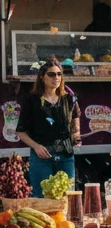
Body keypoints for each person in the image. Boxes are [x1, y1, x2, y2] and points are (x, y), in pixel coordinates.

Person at [17, 57, 81, 196]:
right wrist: (36, 146)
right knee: (42, 199)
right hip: (42, 157)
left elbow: (75, 116)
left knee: (67, 199)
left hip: (66, 155)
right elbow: (21, 132)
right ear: (42, 77)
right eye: (51, 74)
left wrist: (76, 133)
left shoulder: (68, 99)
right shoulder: (32, 101)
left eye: (59, 74)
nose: (56, 78)